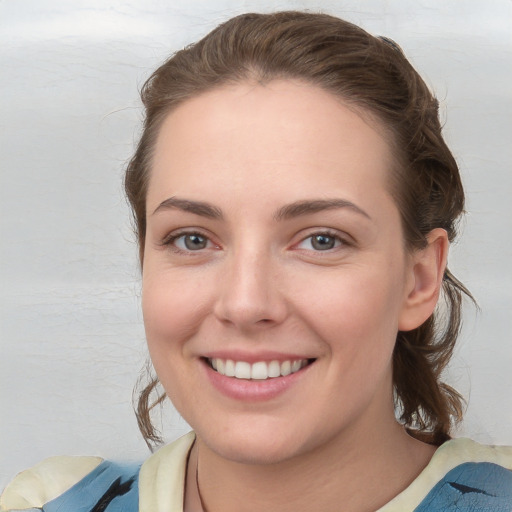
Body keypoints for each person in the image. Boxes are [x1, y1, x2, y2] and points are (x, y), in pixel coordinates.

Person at [1, 10, 511, 512]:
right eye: (193, 240)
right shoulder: (49, 503)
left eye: (322, 241)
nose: (245, 304)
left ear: (419, 280)